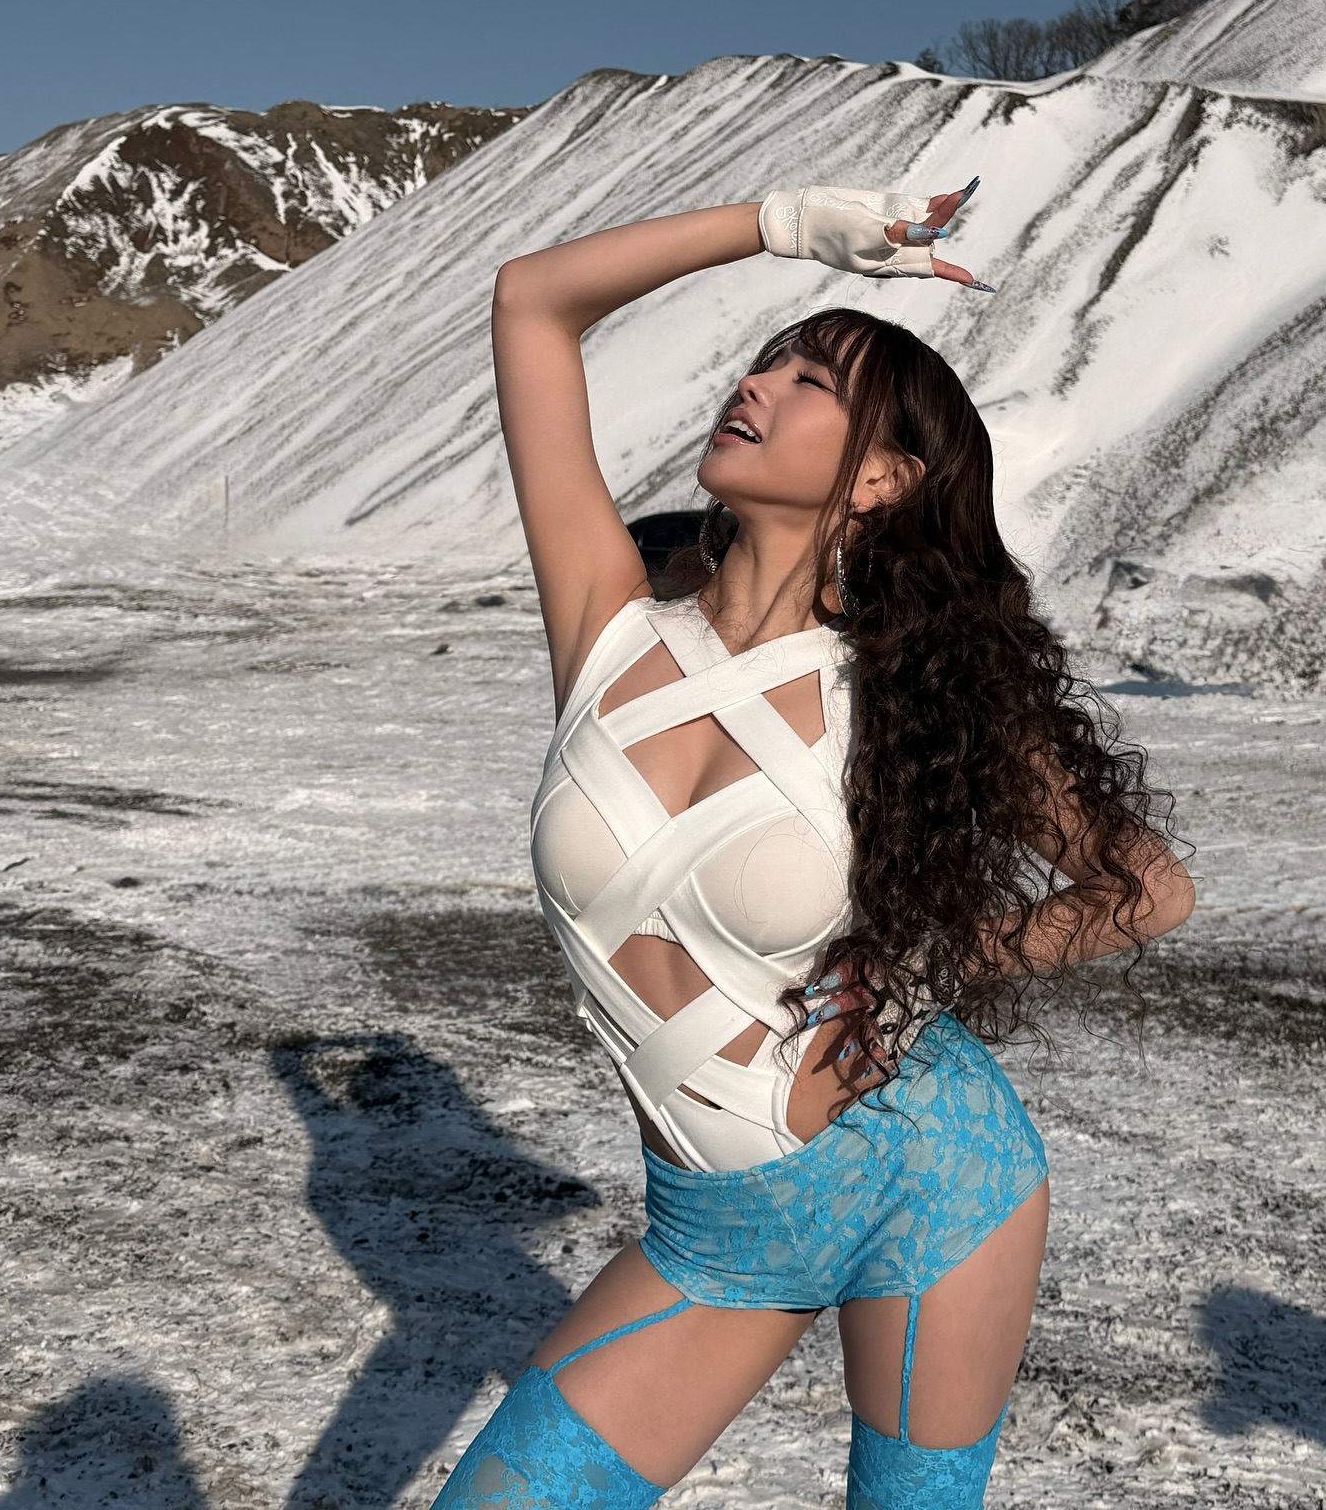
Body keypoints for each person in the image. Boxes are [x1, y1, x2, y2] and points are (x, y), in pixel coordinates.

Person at [431, 185, 1194, 1509]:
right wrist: (784, 224)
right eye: (766, 360)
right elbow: (533, 301)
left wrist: (939, 963)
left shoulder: (916, 686)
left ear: (885, 481)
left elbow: (1147, 887)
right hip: (715, 1239)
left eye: (809, 383)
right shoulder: (609, 623)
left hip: (938, 1184)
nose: (758, 385)